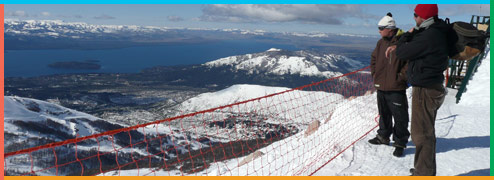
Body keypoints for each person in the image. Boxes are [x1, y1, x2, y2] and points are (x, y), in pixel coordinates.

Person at [387, 4, 458, 176]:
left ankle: (424, 173)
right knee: (425, 131)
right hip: (432, 86)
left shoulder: (430, 36)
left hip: (425, 89)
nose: (414, 18)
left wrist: (406, 36)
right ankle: (423, 169)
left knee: (421, 134)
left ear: (424, 17)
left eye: (415, 15)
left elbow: (403, 53)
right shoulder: (436, 31)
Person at [368, 12, 410, 158]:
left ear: (390, 29)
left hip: (396, 86)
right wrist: (375, 74)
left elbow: (409, 63)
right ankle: (383, 137)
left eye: (381, 28)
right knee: (384, 113)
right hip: (381, 85)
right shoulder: (381, 43)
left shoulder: (402, 43)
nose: (379, 31)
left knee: (400, 116)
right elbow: (374, 58)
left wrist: (400, 78)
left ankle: (400, 143)